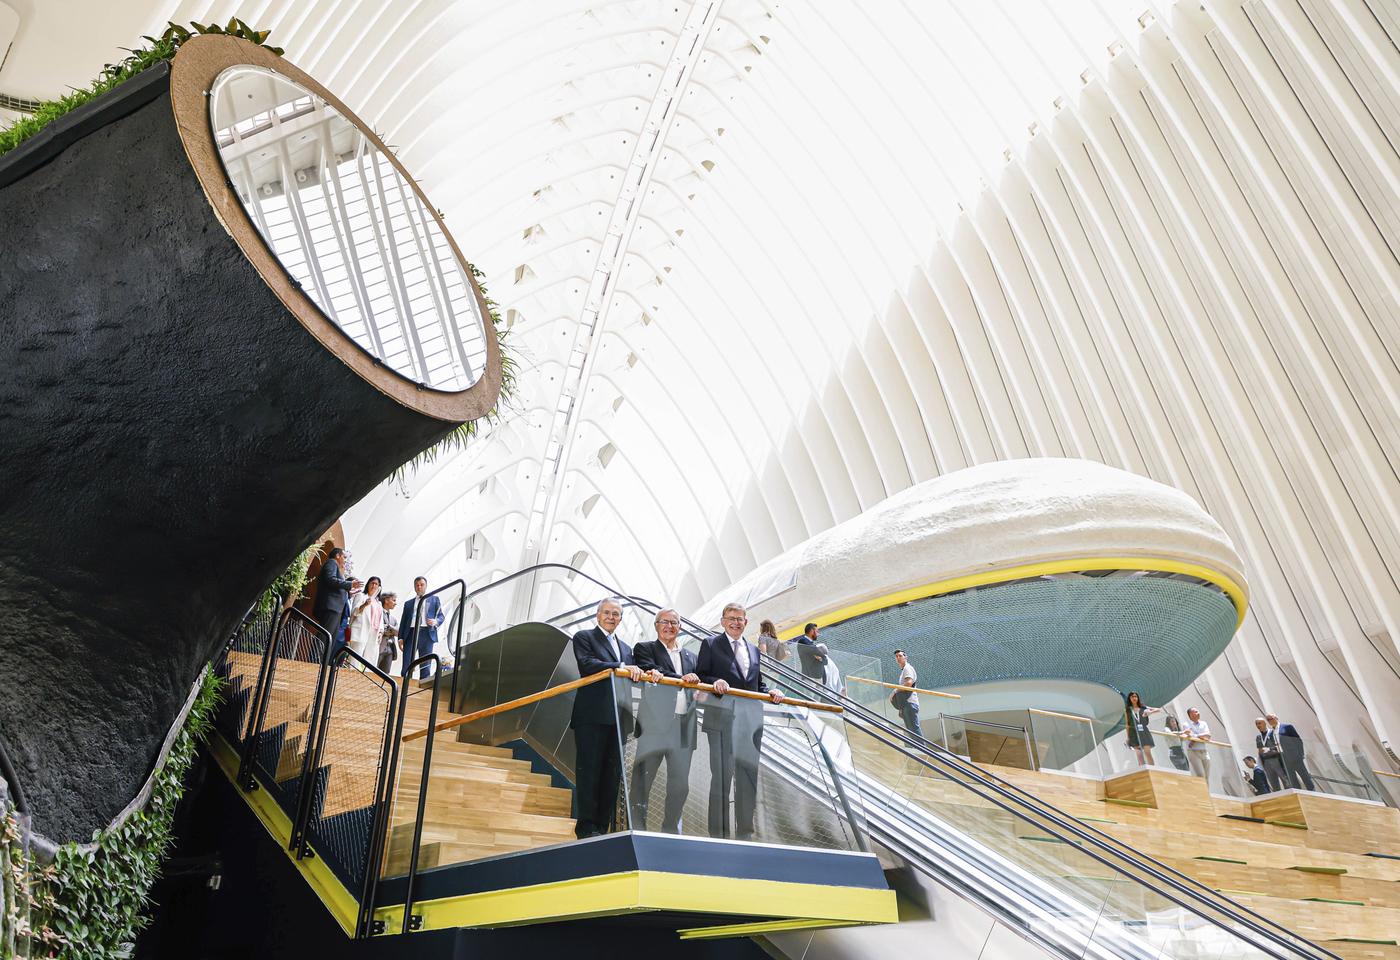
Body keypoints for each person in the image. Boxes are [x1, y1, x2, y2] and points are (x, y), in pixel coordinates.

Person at [695, 602, 784, 841]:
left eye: (740, 619)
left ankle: (745, 832)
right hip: (721, 719)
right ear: (723, 621)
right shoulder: (710, 644)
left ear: (746, 622)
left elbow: (757, 684)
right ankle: (719, 834)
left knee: (748, 778)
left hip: (750, 723)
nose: (736, 622)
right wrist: (715, 682)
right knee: (722, 778)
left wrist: (772, 693)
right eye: (731, 618)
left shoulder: (754, 650)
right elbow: (701, 674)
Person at [569, 598, 643, 838]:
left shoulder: (626, 648)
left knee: (611, 774)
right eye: (607, 613)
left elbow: (632, 676)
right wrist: (621, 666)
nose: (611, 617)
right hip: (591, 716)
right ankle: (587, 827)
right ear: (598, 615)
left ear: (621, 619)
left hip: (618, 718)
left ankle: (602, 826)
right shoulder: (584, 637)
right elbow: (587, 664)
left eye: (616, 614)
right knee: (589, 771)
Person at [630, 608, 700, 833]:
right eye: (665, 622)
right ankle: (637, 827)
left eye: (675, 622)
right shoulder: (645, 649)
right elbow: (653, 669)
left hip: (683, 728)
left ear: (680, 627)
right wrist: (683, 679)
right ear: (656, 625)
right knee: (643, 781)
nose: (670, 626)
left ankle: (670, 829)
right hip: (654, 727)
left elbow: (703, 681)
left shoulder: (691, 657)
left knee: (680, 785)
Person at [398, 577, 444, 680]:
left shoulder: (434, 599)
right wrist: (400, 637)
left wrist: (435, 622)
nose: (419, 587)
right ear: (414, 587)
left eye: (421, 584)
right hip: (411, 633)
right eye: (417, 585)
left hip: (427, 634)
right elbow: (403, 621)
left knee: (425, 663)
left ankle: (423, 684)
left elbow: (441, 616)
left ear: (426, 585)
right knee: (407, 661)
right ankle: (405, 682)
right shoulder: (408, 603)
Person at [311, 547, 360, 644]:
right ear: (337, 556)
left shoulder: (335, 566)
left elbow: (336, 587)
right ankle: (314, 658)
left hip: (336, 609)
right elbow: (330, 579)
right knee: (324, 637)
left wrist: (348, 593)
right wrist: (349, 584)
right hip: (331, 607)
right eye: (344, 557)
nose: (345, 560)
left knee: (330, 640)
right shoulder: (332, 563)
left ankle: (321, 659)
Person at [1269, 714, 1315, 791]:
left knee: (1304, 775)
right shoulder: (1271, 734)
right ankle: (1299, 792)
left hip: (1294, 756)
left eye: (1271, 718)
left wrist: (1301, 754)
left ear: (1276, 718)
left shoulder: (1287, 727)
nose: (1270, 721)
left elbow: (1298, 741)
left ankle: (1313, 792)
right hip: (1283, 758)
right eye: (1268, 720)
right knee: (1292, 779)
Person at [347, 576, 383, 662]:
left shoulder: (379, 603)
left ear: (379, 587)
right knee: (354, 659)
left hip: (373, 634)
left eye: (376, 584)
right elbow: (354, 613)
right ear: (368, 585)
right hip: (360, 631)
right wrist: (364, 605)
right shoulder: (361, 596)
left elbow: (380, 619)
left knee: (370, 660)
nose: (374, 586)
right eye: (372, 583)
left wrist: (381, 631)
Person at [891, 649, 922, 737]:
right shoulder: (904, 670)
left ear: (905, 657)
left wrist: (895, 691)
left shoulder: (908, 668)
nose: (898, 658)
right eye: (896, 656)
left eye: (900, 656)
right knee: (911, 729)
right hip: (906, 704)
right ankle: (917, 748)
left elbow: (909, 683)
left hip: (910, 703)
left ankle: (922, 750)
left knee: (914, 728)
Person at [1124, 691, 1159, 766]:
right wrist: (1128, 737)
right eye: (1132, 696)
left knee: (1148, 753)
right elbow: (1127, 724)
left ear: (1138, 698)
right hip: (1133, 733)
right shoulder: (1128, 710)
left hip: (1144, 731)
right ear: (1129, 699)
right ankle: (1143, 771)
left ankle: (1153, 770)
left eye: (1135, 696)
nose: (1134, 698)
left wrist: (1150, 712)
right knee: (1139, 755)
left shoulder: (1143, 707)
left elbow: (1158, 709)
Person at [1254, 716, 1286, 792]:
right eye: (1256, 724)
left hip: (1276, 760)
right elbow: (1260, 750)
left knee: (1285, 780)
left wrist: (1269, 749)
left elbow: (1279, 746)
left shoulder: (1273, 732)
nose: (1258, 725)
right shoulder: (1258, 737)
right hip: (1266, 763)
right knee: (1274, 784)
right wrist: (1261, 763)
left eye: (1259, 723)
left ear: (1265, 723)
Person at [1182, 708, 1212, 782]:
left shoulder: (1203, 723)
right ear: (1191, 715)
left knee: (1207, 776)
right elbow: (1190, 736)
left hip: (1204, 751)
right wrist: (1201, 737)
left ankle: (1206, 793)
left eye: (1197, 711)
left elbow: (1208, 735)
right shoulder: (1186, 725)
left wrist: (1195, 737)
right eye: (1195, 712)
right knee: (1201, 775)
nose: (1198, 713)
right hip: (1193, 752)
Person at [377, 592, 400, 673]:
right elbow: (381, 629)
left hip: (390, 650)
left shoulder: (393, 619)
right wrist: (392, 630)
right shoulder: (378, 613)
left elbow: (398, 633)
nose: (395, 603)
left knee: (385, 675)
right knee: (373, 671)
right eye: (393, 600)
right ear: (386, 600)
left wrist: (389, 627)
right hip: (379, 647)